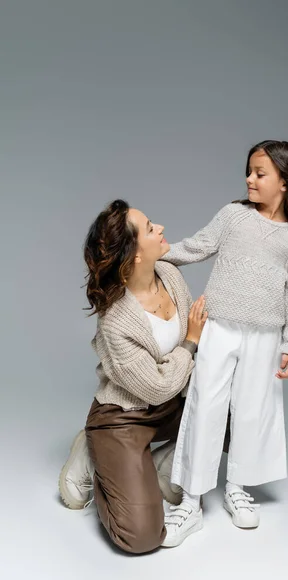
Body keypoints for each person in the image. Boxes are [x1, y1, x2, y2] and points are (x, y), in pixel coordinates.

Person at [160, 140, 288, 547]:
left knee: (254, 410)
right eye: (248, 171)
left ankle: (238, 486)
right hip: (219, 327)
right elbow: (197, 246)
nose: (249, 179)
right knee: (205, 405)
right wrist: (158, 255)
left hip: (266, 336)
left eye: (259, 173)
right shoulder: (233, 216)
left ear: (285, 182)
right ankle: (191, 501)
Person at [58, 199, 215, 554]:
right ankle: (96, 457)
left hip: (171, 405)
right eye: (149, 228)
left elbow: (175, 379)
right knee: (142, 537)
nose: (159, 228)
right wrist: (190, 341)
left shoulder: (170, 276)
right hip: (124, 419)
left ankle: (160, 461)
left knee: (238, 415)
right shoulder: (116, 319)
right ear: (134, 255)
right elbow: (158, 387)